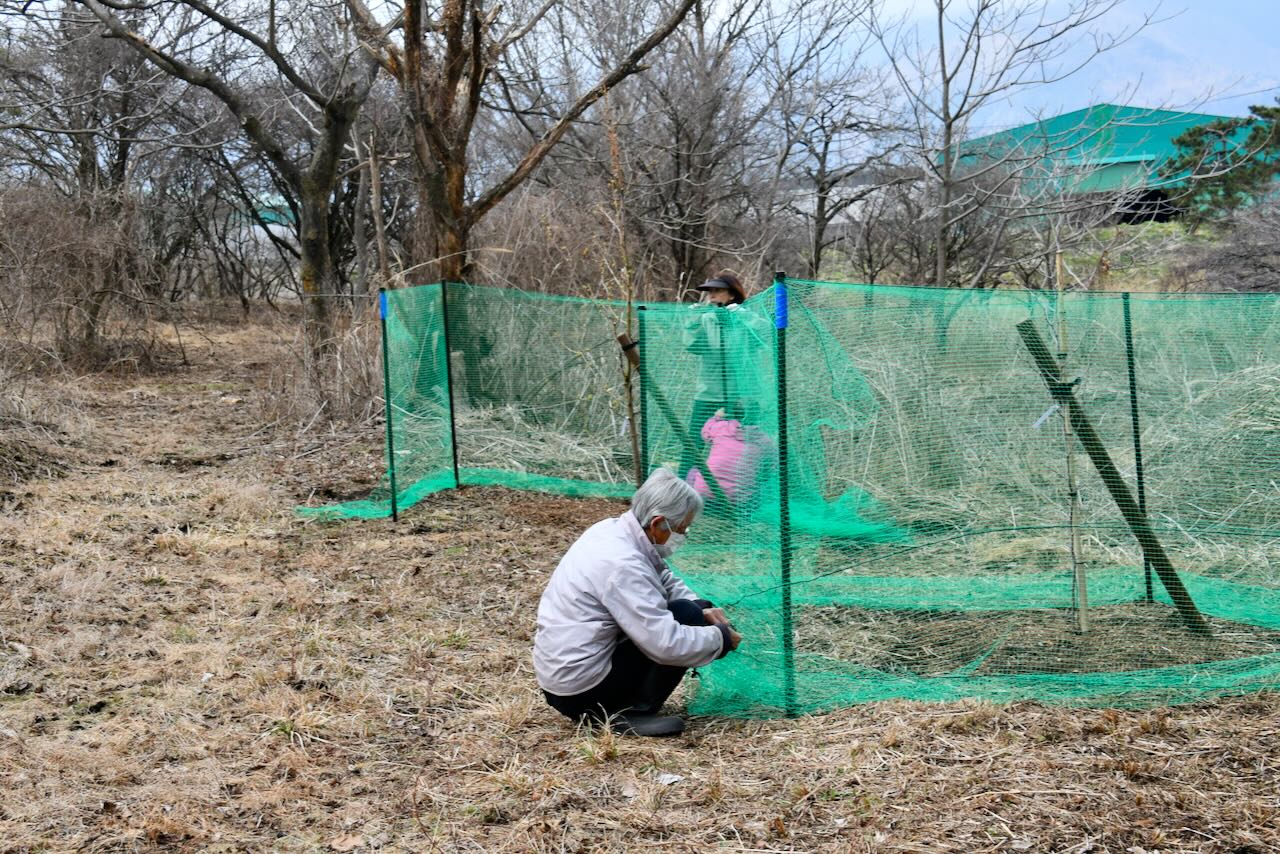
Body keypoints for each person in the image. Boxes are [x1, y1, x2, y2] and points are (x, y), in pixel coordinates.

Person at [533, 468, 742, 736]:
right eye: (681, 529)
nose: (683, 536)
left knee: (690, 610)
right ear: (658, 523)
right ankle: (626, 712)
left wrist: (702, 606)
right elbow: (665, 644)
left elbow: (661, 576)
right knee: (686, 617)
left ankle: (619, 705)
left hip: (564, 677)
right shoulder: (622, 564)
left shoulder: (612, 531)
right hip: (581, 690)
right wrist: (721, 639)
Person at [678, 271, 750, 481]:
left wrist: (742, 316)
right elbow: (693, 346)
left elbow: (764, 334)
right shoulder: (706, 318)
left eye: (718, 290)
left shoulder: (745, 316)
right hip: (708, 392)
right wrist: (693, 321)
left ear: (732, 294)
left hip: (739, 393)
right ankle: (682, 487)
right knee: (694, 444)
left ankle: (734, 488)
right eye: (710, 291)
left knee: (740, 443)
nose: (712, 295)